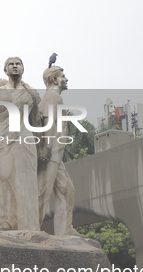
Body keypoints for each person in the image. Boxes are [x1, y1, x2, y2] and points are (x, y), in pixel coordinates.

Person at [0, 57, 41, 231]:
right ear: (5, 70)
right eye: (11, 64)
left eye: (18, 63)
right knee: (4, 177)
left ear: (23, 68)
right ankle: (6, 221)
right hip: (2, 137)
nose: (15, 66)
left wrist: (44, 145)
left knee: (27, 180)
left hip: (25, 137)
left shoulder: (31, 93)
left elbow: (37, 121)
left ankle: (29, 223)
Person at [37, 66, 83, 236]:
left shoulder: (52, 97)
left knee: (66, 190)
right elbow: (48, 122)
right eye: (63, 76)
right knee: (43, 191)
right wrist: (47, 148)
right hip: (51, 152)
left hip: (57, 154)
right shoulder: (53, 97)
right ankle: (33, 226)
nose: (66, 79)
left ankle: (65, 229)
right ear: (54, 79)